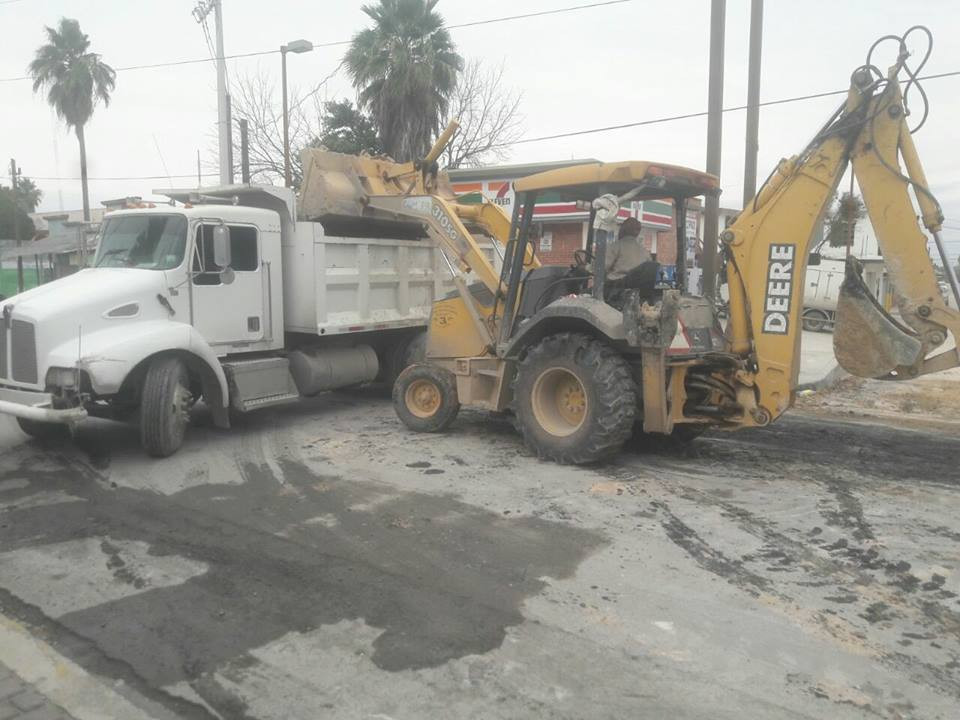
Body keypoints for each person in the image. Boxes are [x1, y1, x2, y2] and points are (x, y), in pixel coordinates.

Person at [604, 217, 652, 281]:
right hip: (638, 287)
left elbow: (602, 267)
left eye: (620, 228)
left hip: (616, 286)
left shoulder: (616, 246)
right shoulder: (645, 251)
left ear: (623, 229)